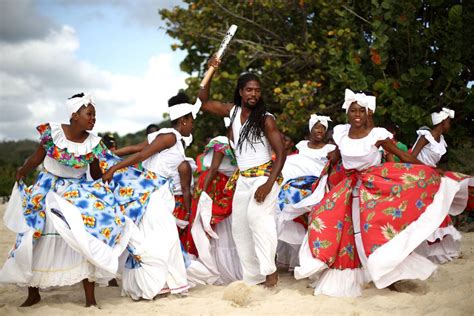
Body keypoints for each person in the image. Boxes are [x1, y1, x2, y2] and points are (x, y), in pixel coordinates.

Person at [295, 89, 463, 297]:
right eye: (353, 110)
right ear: (348, 113)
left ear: (368, 114)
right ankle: (360, 275)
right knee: (340, 231)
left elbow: (402, 154)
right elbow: (335, 158)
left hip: (373, 190)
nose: (357, 114)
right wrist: (323, 178)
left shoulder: (377, 135)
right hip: (347, 190)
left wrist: (427, 169)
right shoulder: (340, 133)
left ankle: (387, 276)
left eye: (361, 111)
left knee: (373, 234)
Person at [0, 93, 137, 307]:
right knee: (35, 235)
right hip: (48, 186)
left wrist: (110, 182)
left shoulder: (93, 143)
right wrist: (21, 172)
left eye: (94, 115)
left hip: (77, 191)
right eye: (89, 114)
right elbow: (36, 159)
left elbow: (95, 173)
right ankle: (33, 292)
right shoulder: (53, 133)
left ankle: (90, 300)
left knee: (83, 234)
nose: (93, 119)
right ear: (75, 114)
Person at [198, 57, 286, 287]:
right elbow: (204, 101)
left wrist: (268, 185)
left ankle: (270, 273)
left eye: (257, 90)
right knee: (240, 229)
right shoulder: (233, 112)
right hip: (243, 180)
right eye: (249, 90)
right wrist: (211, 70)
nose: (253, 94)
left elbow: (281, 152)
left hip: (264, 177)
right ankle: (254, 278)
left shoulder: (266, 119)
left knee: (258, 219)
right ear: (241, 91)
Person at [102, 92, 196, 299]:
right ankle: (161, 284)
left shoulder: (178, 139)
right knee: (164, 236)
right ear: (183, 120)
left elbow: (138, 147)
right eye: (191, 121)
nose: (193, 125)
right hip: (151, 191)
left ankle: (164, 284)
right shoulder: (169, 136)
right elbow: (141, 154)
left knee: (159, 237)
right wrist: (111, 166)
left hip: (160, 191)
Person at [411, 107, 473, 263]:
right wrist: (429, 169)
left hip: (432, 178)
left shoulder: (441, 140)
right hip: (420, 177)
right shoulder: (425, 136)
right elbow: (410, 157)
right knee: (427, 213)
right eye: (448, 121)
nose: (450, 124)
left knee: (437, 211)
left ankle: (436, 251)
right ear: (443, 122)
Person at [184, 121, 243, 284]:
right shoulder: (222, 143)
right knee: (218, 227)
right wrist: (203, 191)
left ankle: (229, 269)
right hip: (215, 186)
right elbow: (213, 168)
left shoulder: (240, 145)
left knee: (229, 227)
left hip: (229, 187)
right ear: (230, 128)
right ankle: (219, 270)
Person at [276, 114, 336, 271]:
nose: (320, 131)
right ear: (310, 129)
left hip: (316, 184)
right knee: (282, 200)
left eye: (323, 128)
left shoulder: (330, 149)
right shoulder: (301, 146)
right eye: (317, 127)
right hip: (297, 183)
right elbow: (294, 164)